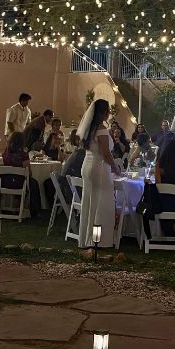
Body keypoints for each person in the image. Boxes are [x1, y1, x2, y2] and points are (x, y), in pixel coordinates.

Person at [78, 98, 123, 248]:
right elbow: (105, 153)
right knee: (102, 202)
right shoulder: (101, 129)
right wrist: (115, 168)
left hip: (87, 164)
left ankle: (87, 238)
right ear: (104, 112)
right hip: (99, 166)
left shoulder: (89, 128)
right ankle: (98, 240)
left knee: (89, 201)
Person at [144, 139, 175, 242]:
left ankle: (170, 234)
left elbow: (158, 186)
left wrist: (149, 182)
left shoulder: (160, 165)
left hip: (164, 204)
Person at [0, 131, 42, 217]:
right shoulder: (23, 156)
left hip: (5, 182)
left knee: (26, 181)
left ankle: (14, 207)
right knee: (33, 183)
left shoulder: (5, 154)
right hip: (19, 184)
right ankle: (35, 211)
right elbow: (29, 173)